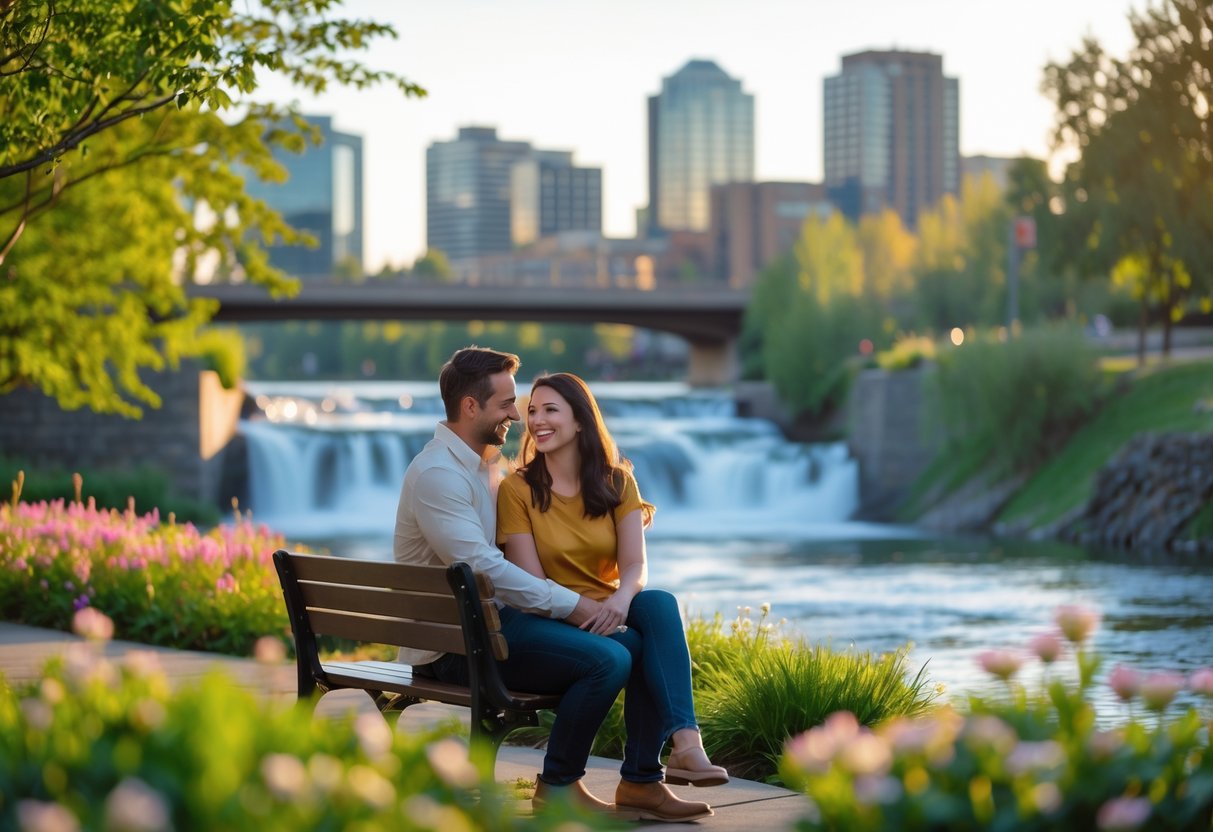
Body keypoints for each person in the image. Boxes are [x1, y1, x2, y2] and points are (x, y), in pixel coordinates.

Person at [394, 346, 629, 813]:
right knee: (607, 661)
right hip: (454, 648)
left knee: (634, 642)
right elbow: (483, 567)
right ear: (470, 407)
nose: (517, 416)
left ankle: (642, 777)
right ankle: (559, 786)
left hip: (486, 628)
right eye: (506, 404)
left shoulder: (483, 466)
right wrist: (573, 604)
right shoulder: (440, 475)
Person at [497, 372, 727, 823]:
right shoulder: (517, 489)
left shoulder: (618, 482)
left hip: (605, 609)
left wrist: (621, 601)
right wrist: (594, 612)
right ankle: (640, 781)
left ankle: (686, 743)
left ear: (581, 420)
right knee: (636, 647)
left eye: (550, 410)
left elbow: (636, 566)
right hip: (547, 616)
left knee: (658, 604)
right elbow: (531, 585)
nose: (537, 421)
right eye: (532, 412)